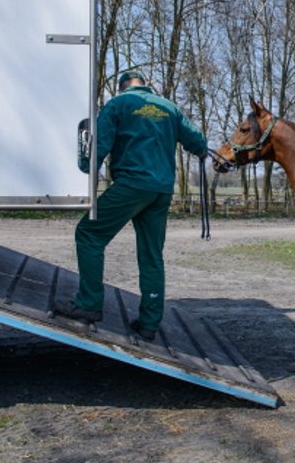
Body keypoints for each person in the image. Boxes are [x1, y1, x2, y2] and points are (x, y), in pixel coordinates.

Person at [60, 69, 208, 341]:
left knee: (89, 234)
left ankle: (89, 304)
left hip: (132, 185)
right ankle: (149, 323)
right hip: (161, 191)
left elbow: (98, 147)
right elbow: (198, 141)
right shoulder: (170, 108)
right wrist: (198, 150)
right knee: (152, 255)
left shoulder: (118, 104)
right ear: (144, 85)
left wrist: (84, 166)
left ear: (123, 87)